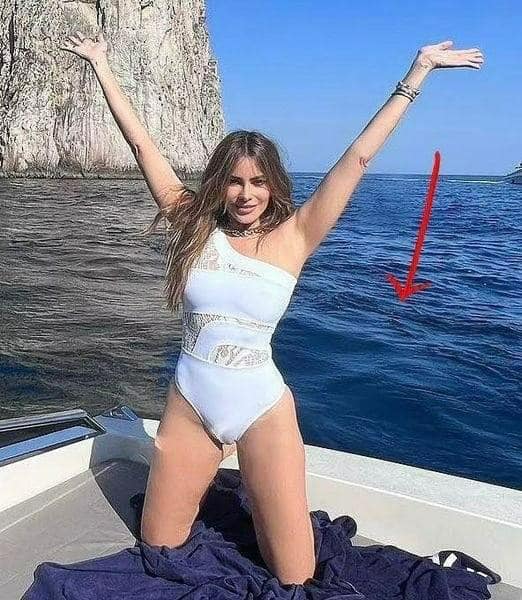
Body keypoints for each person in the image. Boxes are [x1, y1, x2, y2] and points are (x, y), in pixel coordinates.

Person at [59, 30, 484, 586]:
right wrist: (100, 64)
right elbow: (142, 145)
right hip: (190, 403)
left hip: (261, 406)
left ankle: (262, 494)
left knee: (295, 576)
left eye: (258, 182)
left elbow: (357, 159)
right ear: (218, 184)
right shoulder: (193, 224)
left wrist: (418, 72)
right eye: (234, 181)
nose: (246, 194)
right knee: (158, 546)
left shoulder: (296, 235)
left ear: (273, 184)